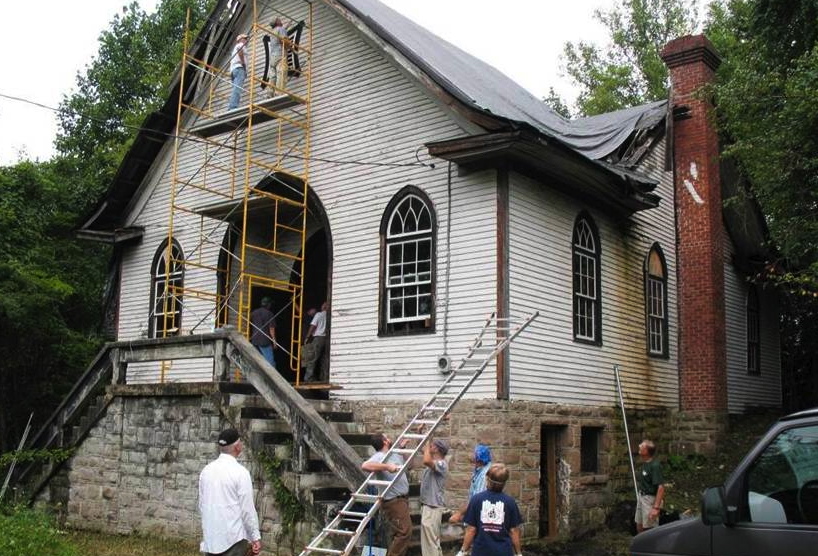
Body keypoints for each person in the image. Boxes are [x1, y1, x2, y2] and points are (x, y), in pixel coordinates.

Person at [198, 428, 262, 556]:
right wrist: (255, 537)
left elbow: (201, 505)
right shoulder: (241, 473)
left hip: (211, 539)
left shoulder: (206, 471)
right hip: (233, 540)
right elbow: (247, 510)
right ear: (237, 447)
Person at [361, 433, 411, 556]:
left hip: (402, 499)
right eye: (388, 437)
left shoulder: (394, 454)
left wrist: (403, 449)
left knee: (399, 532)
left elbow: (410, 465)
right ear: (385, 442)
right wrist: (387, 467)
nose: (390, 438)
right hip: (393, 501)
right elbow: (365, 465)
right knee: (405, 532)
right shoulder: (379, 456)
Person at [457, 463, 523, 556]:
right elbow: (514, 531)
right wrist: (518, 553)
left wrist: (463, 550)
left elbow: (471, 529)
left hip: (481, 551)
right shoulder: (510, 502)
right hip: (503, 551)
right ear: (504, 483)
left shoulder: (476, 500)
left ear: (487, 479)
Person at [449, 443, 492, 524]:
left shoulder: (484, 475)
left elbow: (476, 499)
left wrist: (459, 514)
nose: (473, 457)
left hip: (480, 519)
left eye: (475, 455)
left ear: (479, 458)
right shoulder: (480, 470)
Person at [420, 438, 449, 556]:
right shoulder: (435, 461)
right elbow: (424, 451)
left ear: (436, 449)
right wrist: (423, 434)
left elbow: (426, 460)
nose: (429, 447)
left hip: (433, 507)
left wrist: (427, 442)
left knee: (430, 543)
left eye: (431, 446)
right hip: (429, 506)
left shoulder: (441, 463)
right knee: (430, 542)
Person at [635, 439, 665, 533]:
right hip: (642, 497)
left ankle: (652, 547)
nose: (639, 446)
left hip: (649, 500)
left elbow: (660, 487)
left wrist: (656, 508)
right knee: (639, 526)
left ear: (647, 451)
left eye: (642, 446)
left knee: (649, 529)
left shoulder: (655, 466)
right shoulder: (645, 463)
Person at [303, 300, 328, 382]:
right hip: (325, 339)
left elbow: (313, 326)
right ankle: (322, 377)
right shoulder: (329, 316)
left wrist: (307, 337)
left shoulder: (319, 314)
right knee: (321, 358)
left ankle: (308, 378)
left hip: (318, 338)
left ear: (323, 307)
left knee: (312, 358)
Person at [250, 297, 277, 369]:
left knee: (257, 361)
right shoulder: (269, 314)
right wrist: (274, 341)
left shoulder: (254, 312)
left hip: (255, 340)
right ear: (268, 305)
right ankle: (271, 379)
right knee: (270, 363)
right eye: (270, 304)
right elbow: (271, 329)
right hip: (264, 341)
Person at [228, 34, 248, 110]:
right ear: (240, 39)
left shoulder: (235, 47)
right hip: (239, 68)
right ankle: (233, 107)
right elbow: (240, 51)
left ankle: (232, 105)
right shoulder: (240, 45)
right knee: (237, 88)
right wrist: (243, 64)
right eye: (245, 38)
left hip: (234, 70)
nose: (246, 40)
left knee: (235, 88)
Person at [269, 18, 288, 92]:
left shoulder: (272, 32)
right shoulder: (281, 29)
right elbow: (284, 41)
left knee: (272, 76)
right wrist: (291, 48)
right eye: (279, 20)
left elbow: (278, 37)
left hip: (273, 57)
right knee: (281, 72)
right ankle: (279, 93)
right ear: (277, 22)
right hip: (280, 54)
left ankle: (270, 94)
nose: (281, 20)